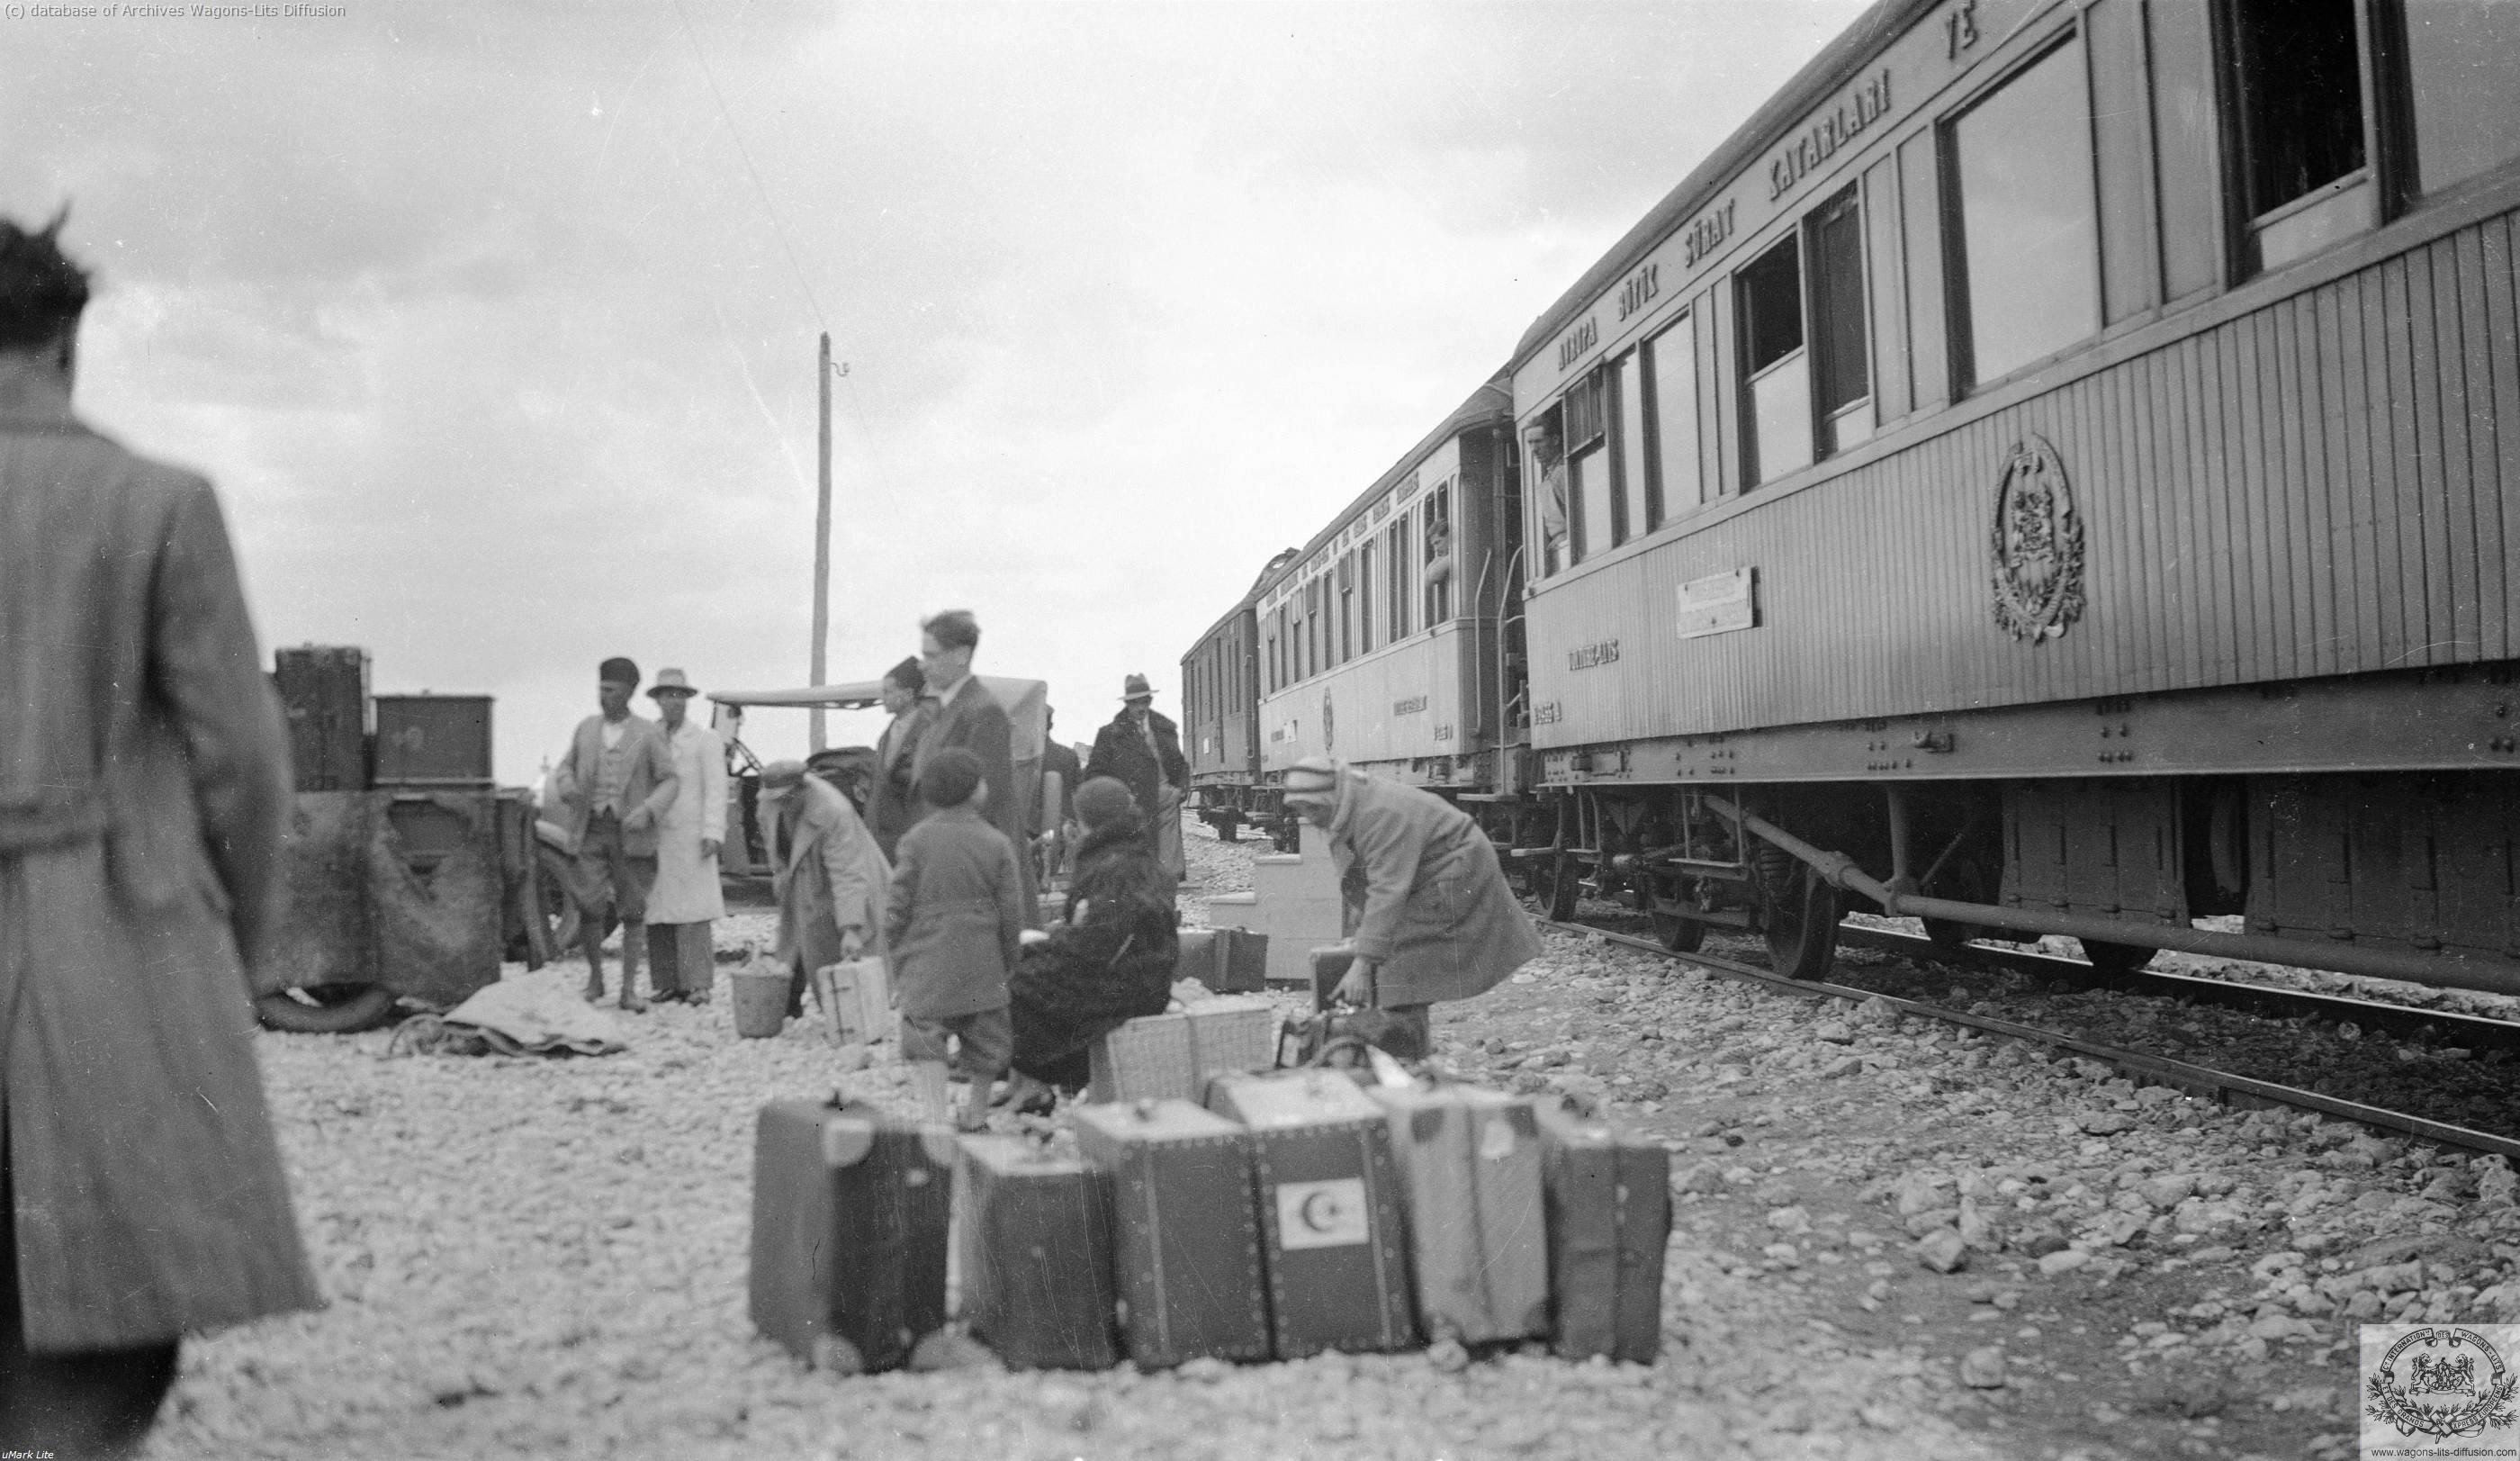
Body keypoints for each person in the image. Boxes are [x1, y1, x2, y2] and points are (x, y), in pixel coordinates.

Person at [0, 212, 320, 1456]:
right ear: (68, 342)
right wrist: (219, 953)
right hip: (110, 949)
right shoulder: (157, 504)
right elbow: (245, 766)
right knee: (104, 1311)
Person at [1280, 755, 1541, 1054]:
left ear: (1326, 799)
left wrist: (1363, 962)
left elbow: (1388, 890)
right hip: (1425, 870)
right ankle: (1401, 1047)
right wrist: (1364, 936)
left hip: (1455, 869)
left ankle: (1407, 1055)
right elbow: (1364, 876)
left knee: (1404, 958)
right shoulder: (1349, 802)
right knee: (1389, 951)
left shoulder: (1380, 813)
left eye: (1310, 809)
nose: (1308, 818)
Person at [1000, 777, 1179, 1112]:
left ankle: (1035, 1084)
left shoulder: (1111, 864)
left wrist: (1046, 944)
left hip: (1126, 984)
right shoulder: (1131, 853)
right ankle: (1026, 1084)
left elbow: (1096, 943)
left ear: (1086, 820)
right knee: (1026, 963)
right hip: (1145, 975)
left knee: (1013, 983)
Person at [885, 748, 1022, 1132]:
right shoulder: (995, 842)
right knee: (986, 1041)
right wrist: (1009, 959)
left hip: (927, 956)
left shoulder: (915, 840)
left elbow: (896, 905)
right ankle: (976, 1113)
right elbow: (1011, 911)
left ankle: (933, 1116)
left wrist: (897, 953)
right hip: (982, 957)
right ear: (975, 791)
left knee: (925, 1034)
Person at [557, 657, 680, 1011]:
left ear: (629, 691)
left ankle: (628, 991)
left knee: (633, 910)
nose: (603, 696)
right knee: (589, 905)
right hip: (591, 830)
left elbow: (671, 779)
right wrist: (566, 785)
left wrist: (648, 810)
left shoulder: (648, 733)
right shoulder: (586, 729)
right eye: (600, 689)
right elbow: (565, 767)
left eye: (610, 690)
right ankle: (595, 981)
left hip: (632, 834)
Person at [912, 609, 1039, 925]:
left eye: (932, 655)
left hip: (972, 870)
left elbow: (984, 801)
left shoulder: (982, 712)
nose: (923, 664)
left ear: (962, 655)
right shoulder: (950, 710)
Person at [756, 760, 891, 1024]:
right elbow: (775, 848)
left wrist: (852, 928)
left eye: (787, 799)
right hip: (803, 878)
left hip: (851, 878)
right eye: (776, 799)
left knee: (846, 951)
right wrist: (781, 878)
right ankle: (789, 1004)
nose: (781, 805)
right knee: (795, 937)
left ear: (802, 789)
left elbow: (848, 873)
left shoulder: (833, 809)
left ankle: (858, 1016)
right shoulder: (767, 803)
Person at [642, 668, 727, 1004]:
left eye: (678, 696)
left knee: (693, 912)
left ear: (687, 700)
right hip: (657, 838)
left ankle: (698, 984)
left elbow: (716, 788)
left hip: (692, 838)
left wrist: (713, 831)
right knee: (659, 911)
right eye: (666, 696)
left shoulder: (705, 739)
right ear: (658, 700)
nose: (672, 703)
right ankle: (667, 982)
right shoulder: (648, 737)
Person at [1084, 673, 1189, 882]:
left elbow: (1179, 764)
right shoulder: (1110, 734)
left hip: (1165, 803)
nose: (1140, 708)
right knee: (1137, 869)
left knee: (1168, 869)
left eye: (1144, 701)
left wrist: (1179, 791)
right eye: (1134, 703)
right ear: (1127, 704)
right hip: (1132, 807)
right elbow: (1095, 773)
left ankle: (1166, 904)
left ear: (1150, 701)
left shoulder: (1165, 729)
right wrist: (1116, 799)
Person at [867, 656, 930, 861]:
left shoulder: (929, 731)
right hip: (881, 837)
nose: (883, 697)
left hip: (912, 833)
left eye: (888, 691)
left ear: (909, 694)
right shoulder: (887, 735)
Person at [1035, 707, 1081, 885]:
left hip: (1033, 828)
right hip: (1064, 827)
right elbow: (1078, 792)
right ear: (1051, 725)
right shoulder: (1068, 755)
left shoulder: (1021, 756)